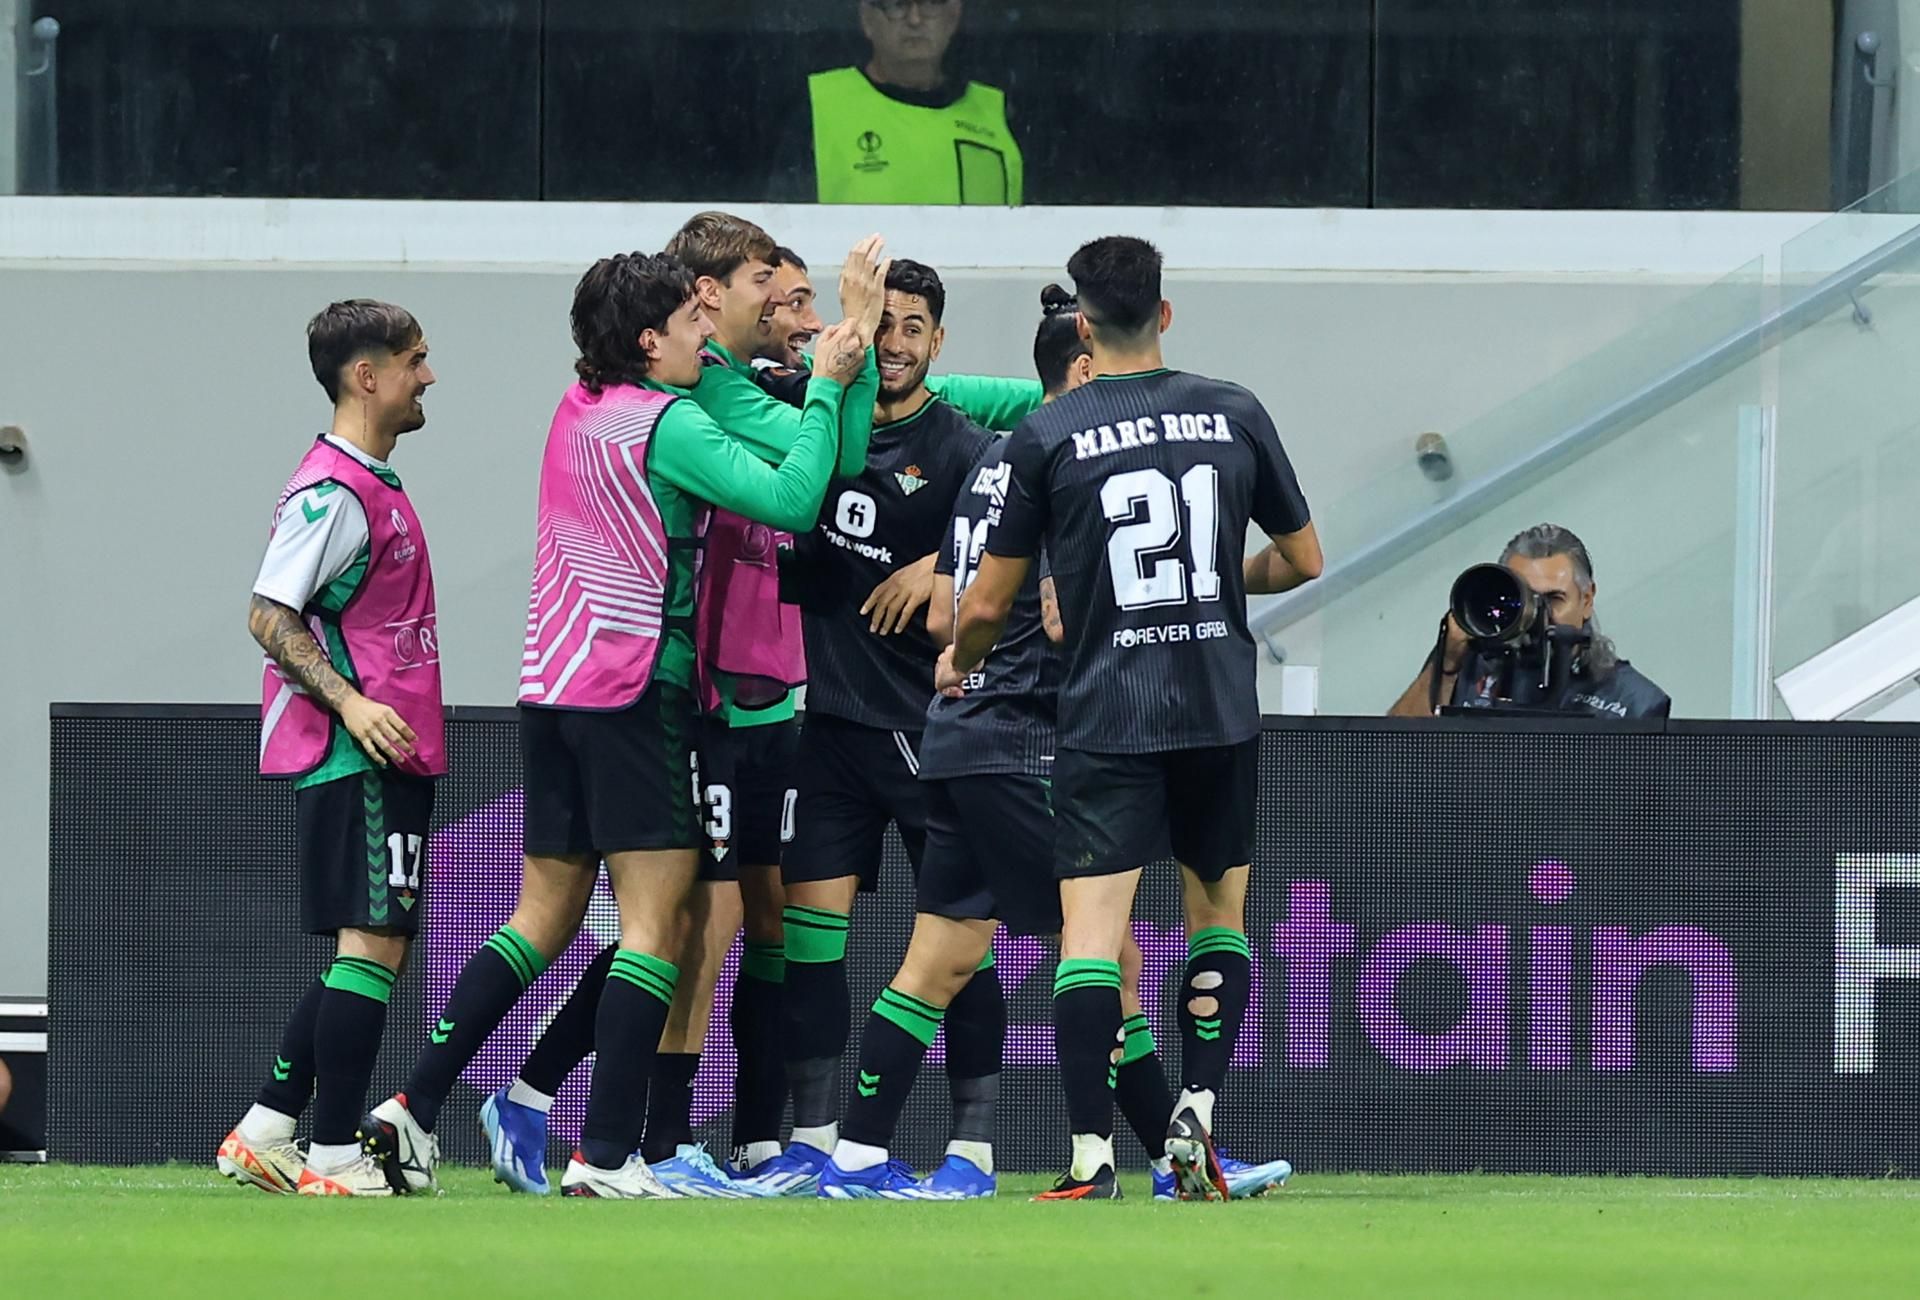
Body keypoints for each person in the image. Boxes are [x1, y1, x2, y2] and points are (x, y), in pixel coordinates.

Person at [364, 252, 870, 1200]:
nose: (704, 338)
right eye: (691, 321)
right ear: (651, 340)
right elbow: (797, 501)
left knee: (542, 917)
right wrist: (831, 387)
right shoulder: (668, 421)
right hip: (638, 691)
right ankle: (605, 1157)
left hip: (549, 689)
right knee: (659, 922)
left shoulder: (576, 405)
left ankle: (412, 1106)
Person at [940, 237, 1323, 1200]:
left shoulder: (1049, 434)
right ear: (1166, 313)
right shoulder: (1236, 411)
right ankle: (1196, 1105)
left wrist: (964, 658)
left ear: (1080, 323)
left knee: (1091, 937)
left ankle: (1090, 1158)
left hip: (1108, 711)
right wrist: (1208, 585)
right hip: (1218, 708)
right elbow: (1305, 559)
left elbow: (986, 606)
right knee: (1216, 918)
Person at [742, 259, 1009, 1196]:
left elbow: (1029, 538)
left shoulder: (971, 447)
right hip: (832, 731)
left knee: (957, 947)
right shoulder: (809, 416)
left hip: (932, 733)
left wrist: (939, 561)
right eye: (882, 323)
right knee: (810, 944)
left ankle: (971, 1150)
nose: (894, 343)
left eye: (912, 328)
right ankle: (811, 1145)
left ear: (938, 343)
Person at [216, 300, 444, 1197]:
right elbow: (267, 611)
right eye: (416, 360)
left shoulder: (366, 482)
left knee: (373, 946)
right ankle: (337, 1155)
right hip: (362, 751)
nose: (428, 376)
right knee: (373, 938)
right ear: (368, 375)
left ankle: (268, 1130)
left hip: (387, 746)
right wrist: (352, 703)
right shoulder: (333, 492)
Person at [1387, 523, 1671, 719]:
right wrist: (1447, 664)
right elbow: (1393, 756)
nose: (1538, 614)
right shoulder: (1468, 666)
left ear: (1586, 600)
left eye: (1554, 599)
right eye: (1524, 598)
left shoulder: (1633, 700)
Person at [806, 0, 1024, 206]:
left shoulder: (1001, 113)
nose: (915, 19)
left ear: (953, 15)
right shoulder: (817, 106)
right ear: (867, 18)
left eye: (930, 3)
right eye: (897, 5)